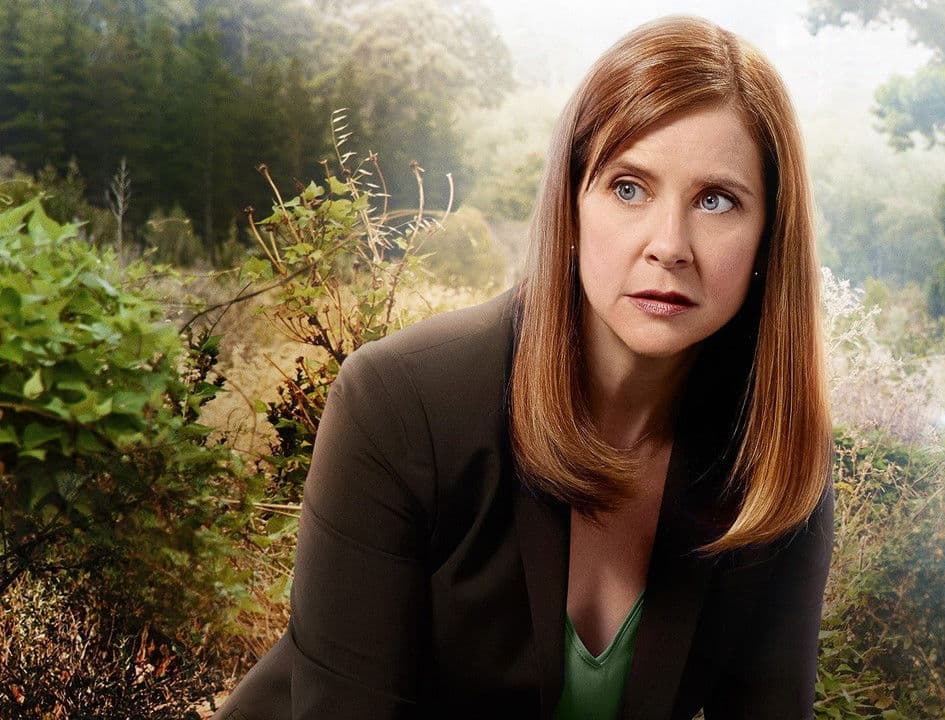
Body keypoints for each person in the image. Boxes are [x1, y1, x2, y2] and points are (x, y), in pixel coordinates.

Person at [212, 14, 834, 720]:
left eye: (716, 200)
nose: (669, 245)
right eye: (628, 188)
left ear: (768, 238)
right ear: (572, 206)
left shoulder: (774, 458)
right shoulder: (399, 404)